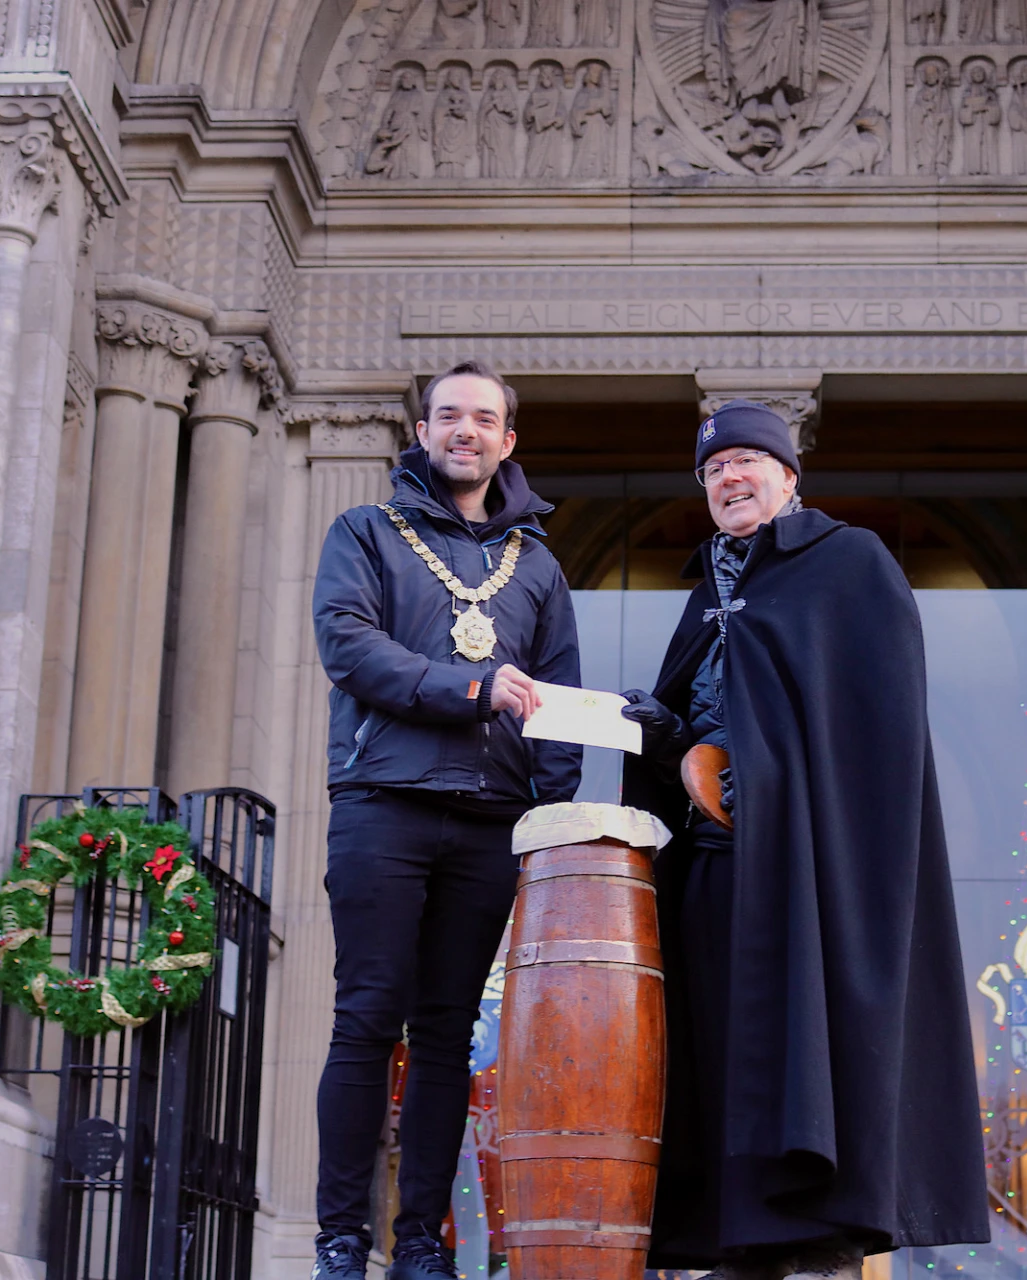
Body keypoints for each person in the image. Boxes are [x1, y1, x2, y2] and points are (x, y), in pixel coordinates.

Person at [620, 401, 990, 1278]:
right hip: (715, 869)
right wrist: (665, 732)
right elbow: (713, 716)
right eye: (713, 470)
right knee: (714, 1052)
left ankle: (813, 1241)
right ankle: (735, 1245)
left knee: (802, 1048)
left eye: (748, 461)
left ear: (790, 475)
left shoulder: (847, 565)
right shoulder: (707, 591)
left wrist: (777, 779)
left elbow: (877, 726)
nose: (730, 479)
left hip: (809, 875)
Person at [310, 360, 582, 1280]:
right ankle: (343, 1237)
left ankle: (422, 1239)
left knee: (447, 1030)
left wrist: (552, 828)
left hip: (488, 824)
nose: (465, 430)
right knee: (366, 1020)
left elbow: (556, 706)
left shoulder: (537, 565)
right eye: (448, 415)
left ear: (508, 442)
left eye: (484, 418)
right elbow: (348, 646)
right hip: (382, 804)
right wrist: (469, 686)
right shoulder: (365, 531)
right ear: (424, 432)